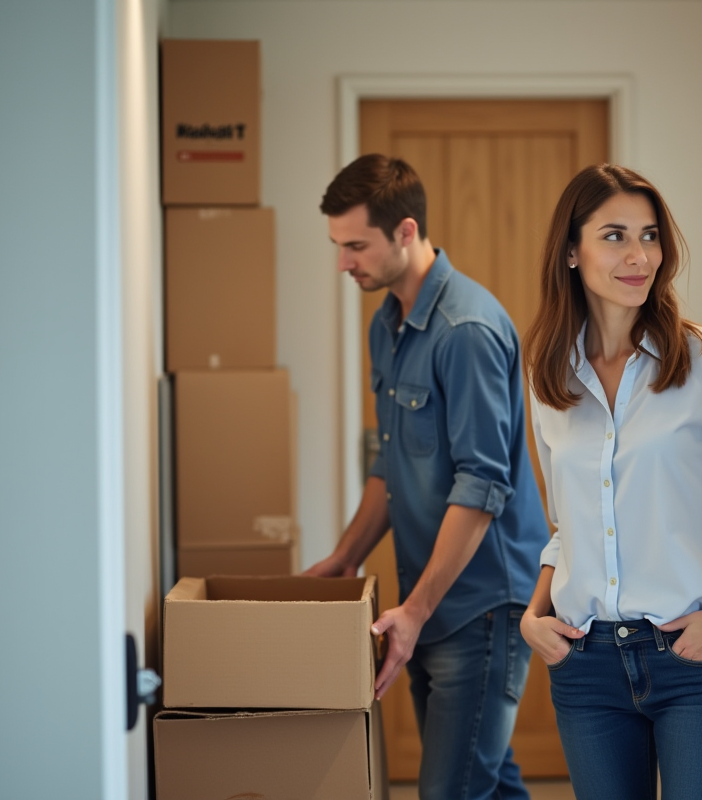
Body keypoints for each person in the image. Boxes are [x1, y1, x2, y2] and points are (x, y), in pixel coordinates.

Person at [519, 164, 702, 800]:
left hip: (694, 661)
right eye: (614, 236)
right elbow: (568, 528)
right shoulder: (548, 376)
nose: (639, 256)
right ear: (571, 251)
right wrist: (533, 616)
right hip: (585, 667)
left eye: (649, 236)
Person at [304, 154, 550, 800]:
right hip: (427, 599)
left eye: (356, 246)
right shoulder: (385, 327)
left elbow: (482, 486)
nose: (343, 263)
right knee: (485, 782)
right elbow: (390, 461)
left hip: (482, 605)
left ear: (406, 232)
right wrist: (345, 558)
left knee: (450, 790)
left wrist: (414, 611)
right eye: (337, 246)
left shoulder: (466, 330)